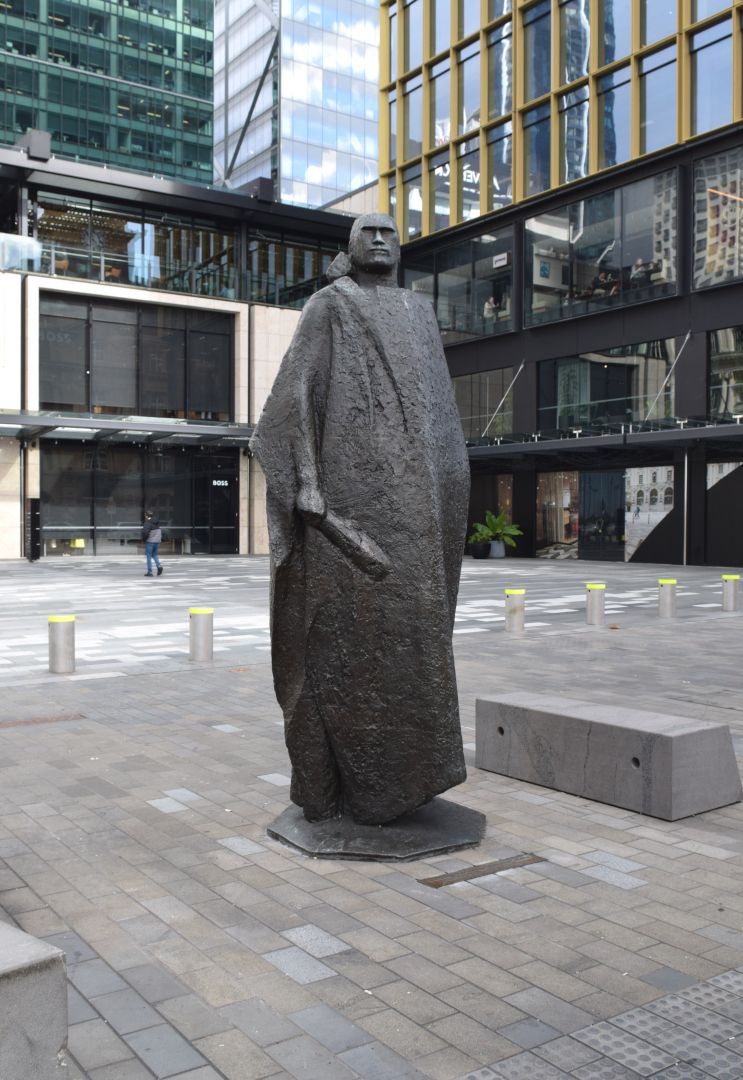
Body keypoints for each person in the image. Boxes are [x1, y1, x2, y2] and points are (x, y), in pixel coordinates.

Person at [250, 212, 470, 826]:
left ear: (400, 248)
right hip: (350, 506)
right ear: (351, 245)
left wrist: (449, 488)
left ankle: (408, 778)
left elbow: (439, 419)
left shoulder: (419, 313)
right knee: (342, 641)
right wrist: (309, 484)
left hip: (418, 509)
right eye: (367, 232)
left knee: (415, 639)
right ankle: (348, 786)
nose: (378, 239)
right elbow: (293, 396)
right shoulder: (331, 305)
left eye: (388, 232)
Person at [142, 511, 163, 577]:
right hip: (157, 541)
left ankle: (150, 572)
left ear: (147, 516)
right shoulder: (157, 522)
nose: (145, 516)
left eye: (145, 515)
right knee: (154, 555)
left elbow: (145, 533)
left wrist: (144, 539)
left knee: (148, 556)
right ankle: (159, 566)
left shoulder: (147, 523)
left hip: (150, 542)